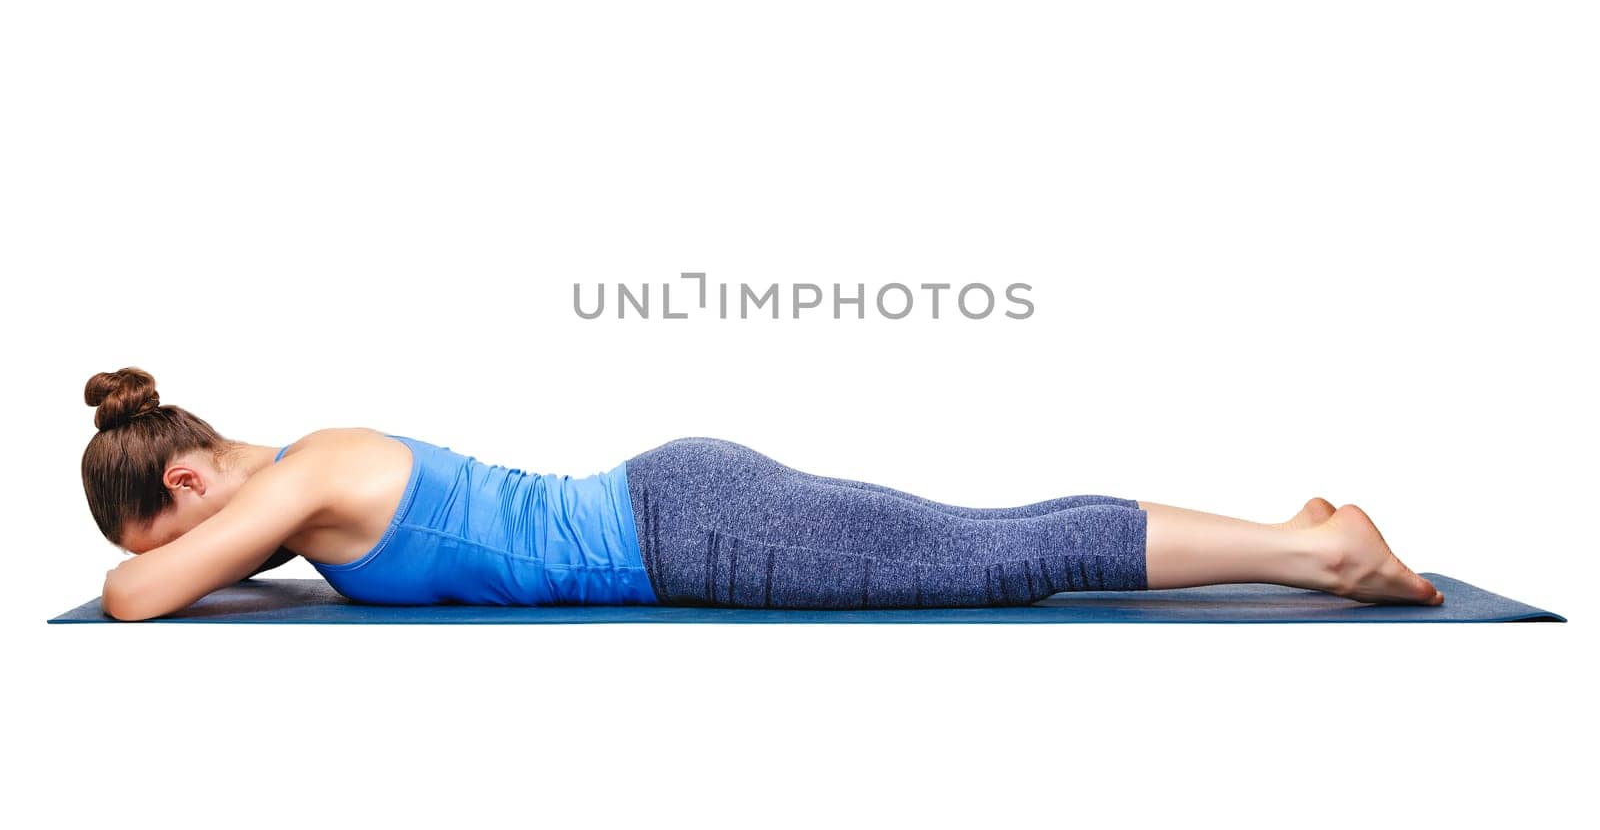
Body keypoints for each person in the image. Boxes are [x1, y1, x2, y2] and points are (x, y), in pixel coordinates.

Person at [81, 366, 1444, 622]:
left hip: (699, 528)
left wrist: (158, 572)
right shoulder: (306, 494)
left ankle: (1320, 557)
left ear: (192, 476)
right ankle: (1304, 536)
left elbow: (134, 598)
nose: (201, 560)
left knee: (995, 559)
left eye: (179, 523)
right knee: (987, 536)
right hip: (684, 512)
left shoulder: (309, 469)